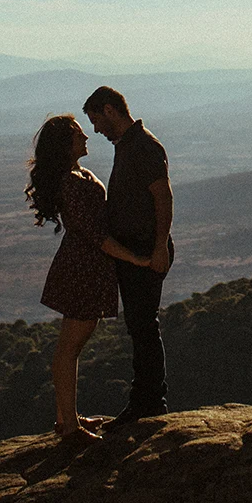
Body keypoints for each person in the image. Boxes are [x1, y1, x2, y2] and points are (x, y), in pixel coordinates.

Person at [24, 112, 152, 442]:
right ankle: (69, 427)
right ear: (65, 145)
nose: (86, 138)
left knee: (73, 347)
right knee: (69, 348)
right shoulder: (71, 181)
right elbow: (97, 235)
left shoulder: (78, 174)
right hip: (82, 269)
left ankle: (66, 419)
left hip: (89, 270)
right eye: (79, 135)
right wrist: (136, 258)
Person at [84, 84, 173, 422]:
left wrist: (160, 246)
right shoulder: (128, 146)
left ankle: (150, 403)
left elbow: (163, 198)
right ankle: (146, 400)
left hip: (146, 250)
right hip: (136, 250)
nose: (96, 129)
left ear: (110, 110)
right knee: (139, 325)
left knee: (144, 326)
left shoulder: (144, 147)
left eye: (96, 120)